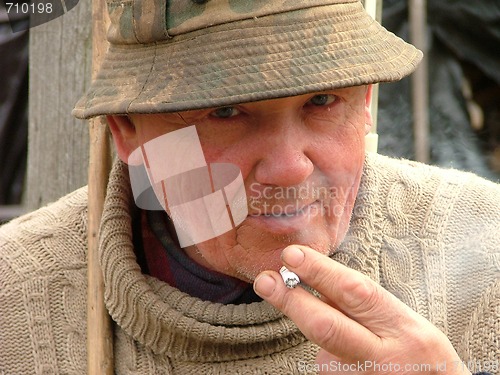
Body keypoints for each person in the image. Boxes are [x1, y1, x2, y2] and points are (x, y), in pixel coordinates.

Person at [0, 0, 498, 374]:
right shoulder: (15, 302)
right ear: (127, 131)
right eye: (225, 112)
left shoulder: (486, 249)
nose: (289, 169)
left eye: (322, 100)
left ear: (367, 101)